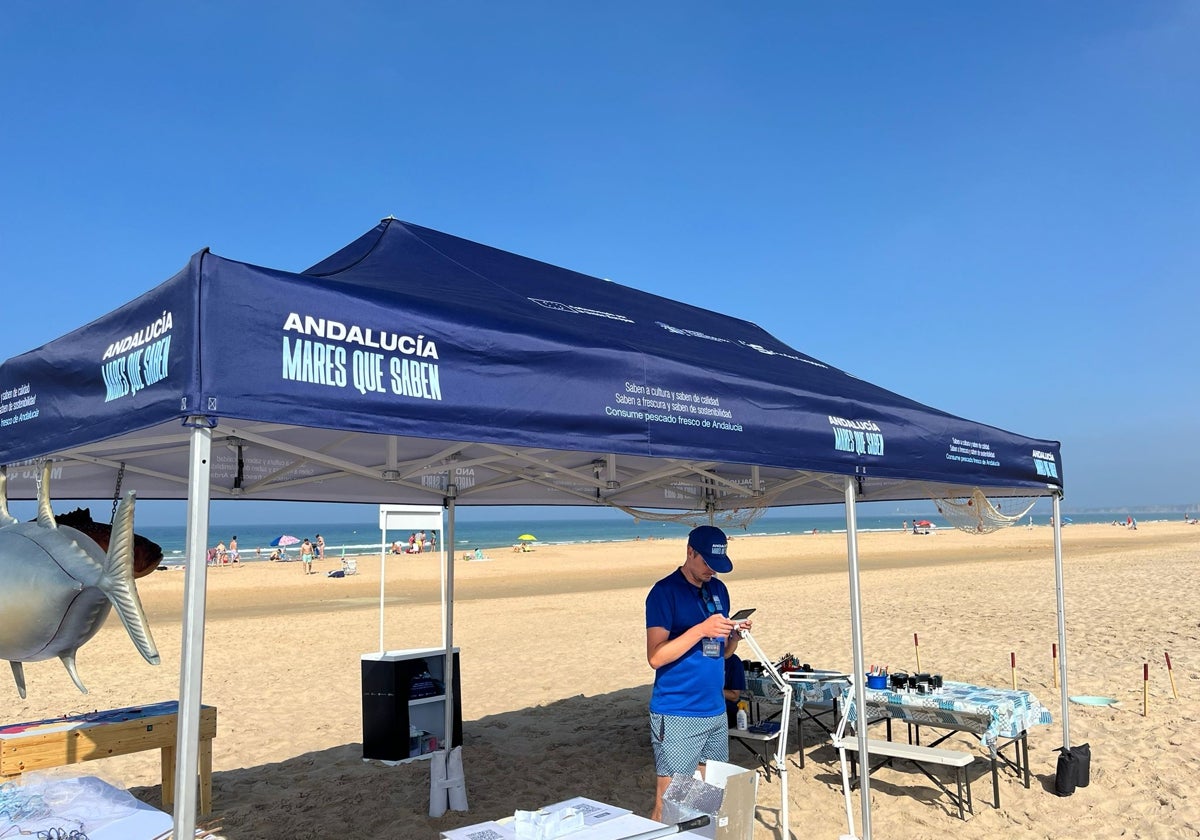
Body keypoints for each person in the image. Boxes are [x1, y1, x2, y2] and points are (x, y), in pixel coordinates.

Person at [645, 525, 750, 822]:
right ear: (690, 552)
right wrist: (700, 630)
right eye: (706, 564)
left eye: (717, 567)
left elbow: (722, 655)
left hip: (715, 711)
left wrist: (733, 637)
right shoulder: (664, 593)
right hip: (678, 712)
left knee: (706, 798)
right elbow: (655, 656)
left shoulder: (718, 589)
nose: (712, 573)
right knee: (669, 803)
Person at [723, 652, 747, 728]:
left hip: (726, 710)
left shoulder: (733, 661)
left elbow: (734, 696)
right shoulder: (701, 660)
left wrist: (709, 689)